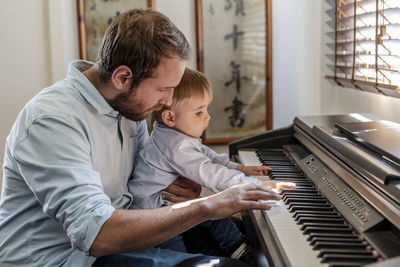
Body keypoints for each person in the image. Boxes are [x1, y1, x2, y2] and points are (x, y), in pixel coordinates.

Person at [0, 8, 281, 267]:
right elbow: (96, 235)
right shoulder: (54, 120)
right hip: (69, 258)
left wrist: (183, 191)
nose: (168, 100)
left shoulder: (126, 106)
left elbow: (152, 176)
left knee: (255, 250)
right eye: (163, 89)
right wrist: (205, 205)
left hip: (123, 239)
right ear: (122, 77)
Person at [129, 67, 273, 260]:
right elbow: (208, 171)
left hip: (167, 208)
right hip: (155, 220)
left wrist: (238, 168)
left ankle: (238, 248)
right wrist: (251, 185)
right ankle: (236, 249)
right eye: (198, 112)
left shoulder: (173, 135)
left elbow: (209, 156)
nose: (207, 117)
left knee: (211, 213)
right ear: (170, 117)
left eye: (206, 109)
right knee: (180, 252)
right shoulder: (176, 146)